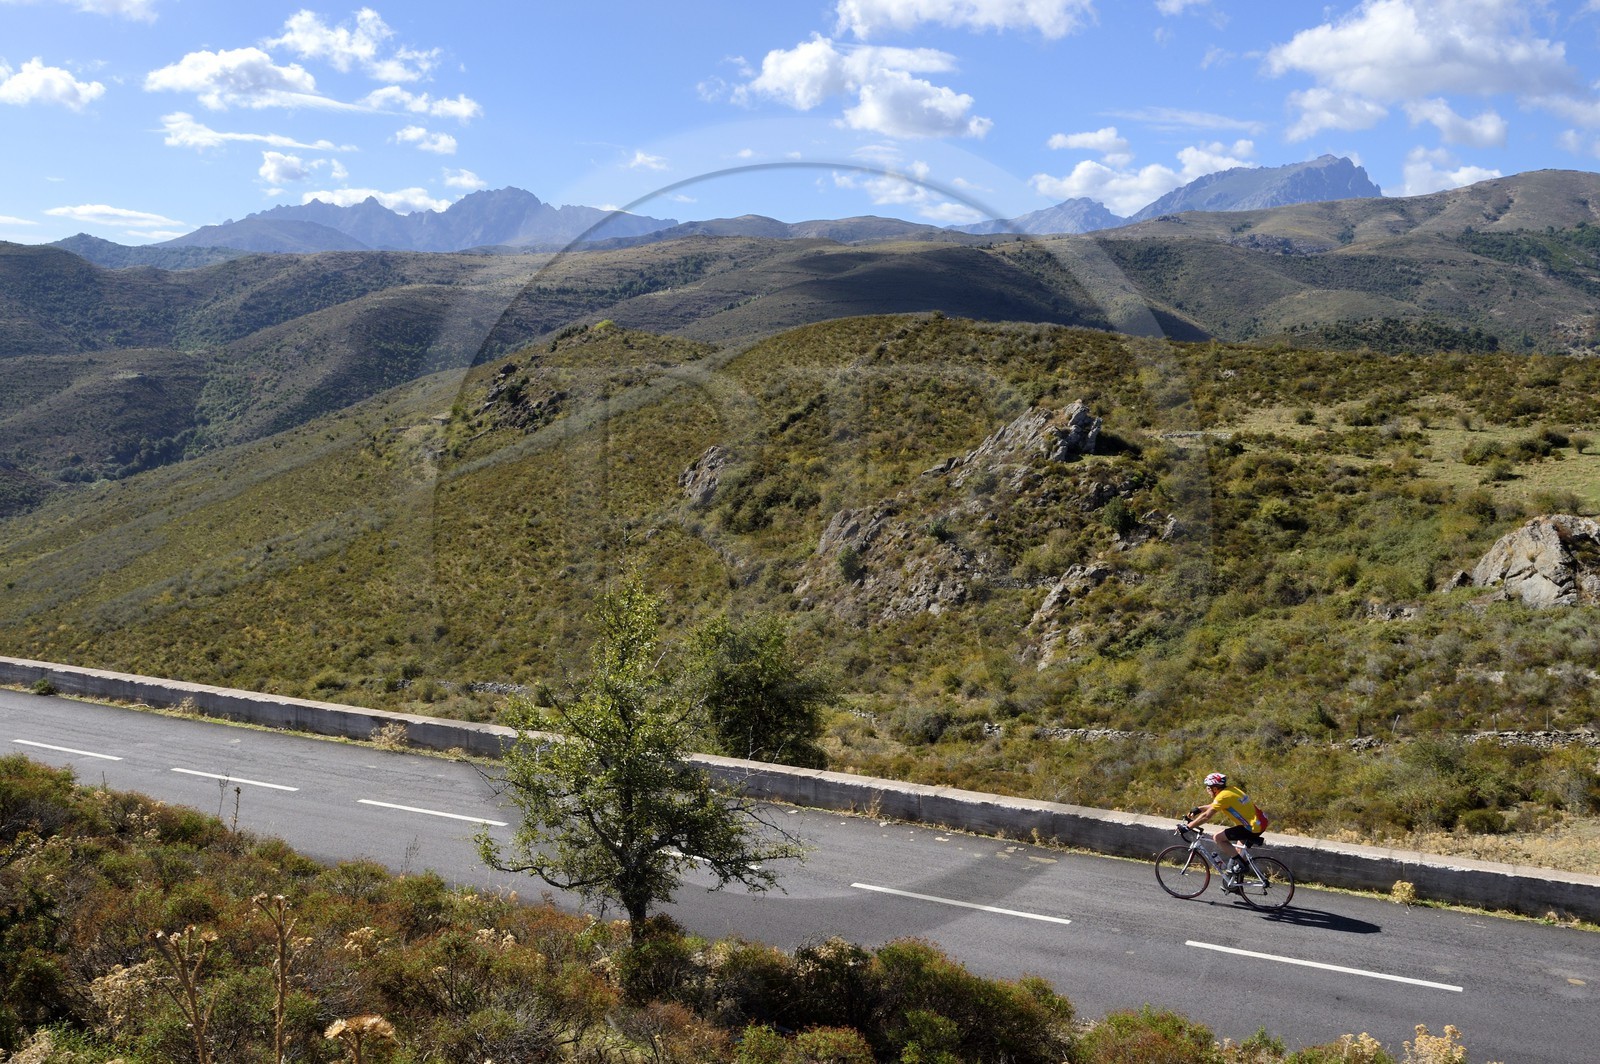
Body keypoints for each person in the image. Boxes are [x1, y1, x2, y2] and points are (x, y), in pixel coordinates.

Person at [1184, 772, 1267, 887]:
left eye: (1208, 788)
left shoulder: (1223, 797)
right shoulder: (1230, 790)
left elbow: (1207, 816)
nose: (1207, 790)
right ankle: (1236, 886)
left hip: (1251, 827)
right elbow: (1216, 805)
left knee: (1218, 837)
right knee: (1237, 856)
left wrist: (1188, 827)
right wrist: (1198, 809)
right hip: (1259, 822)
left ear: (1215, 788)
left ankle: (1243, 866)